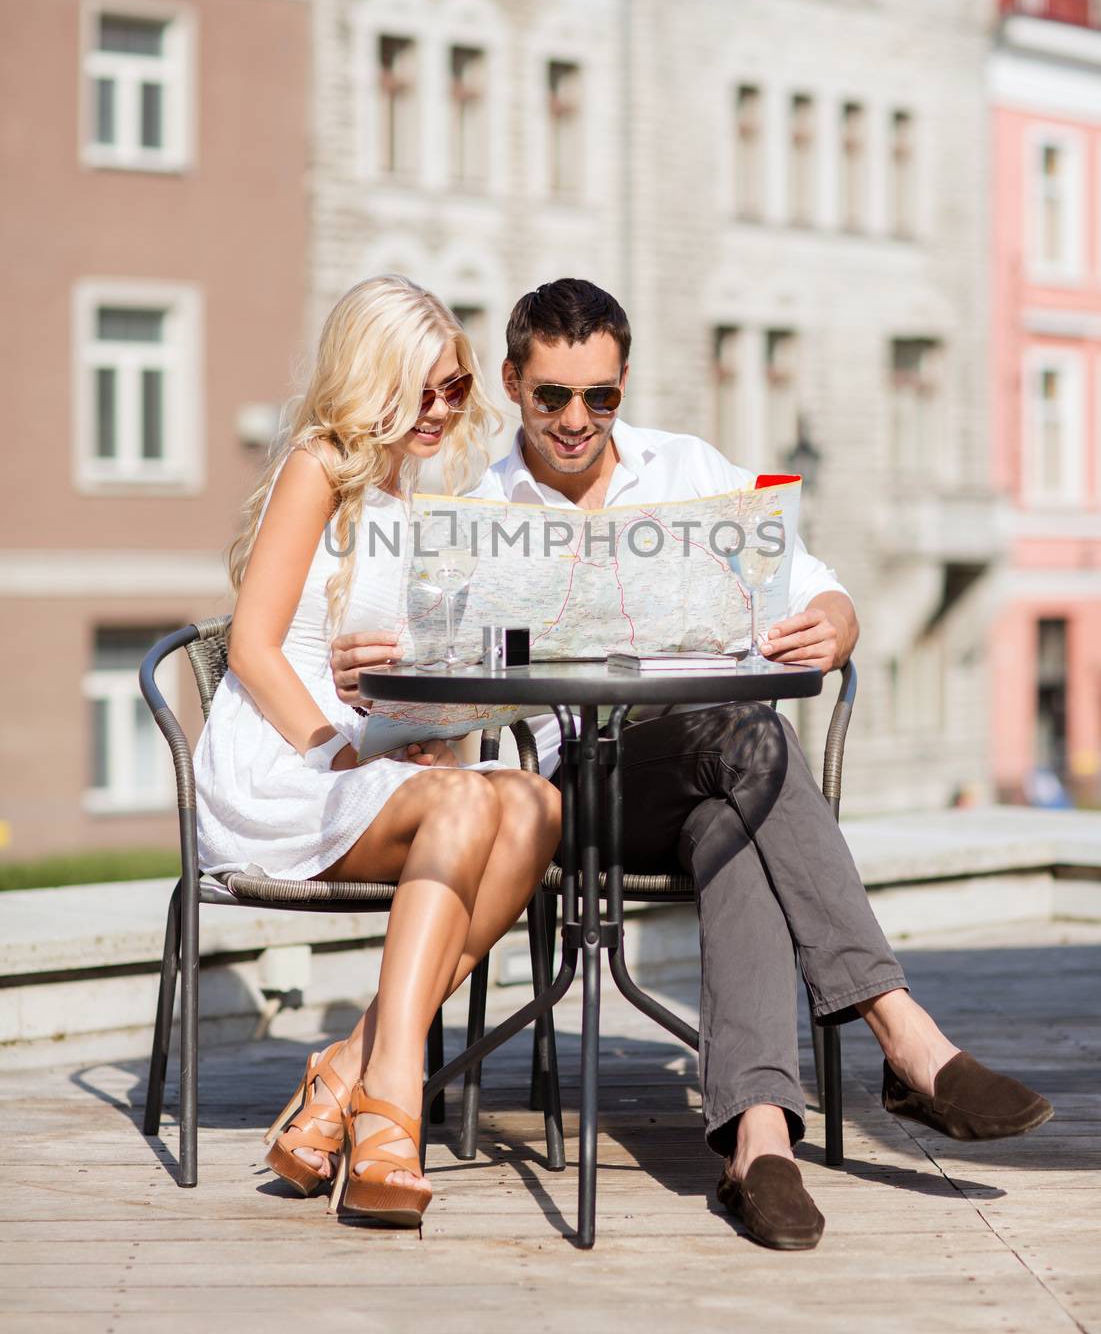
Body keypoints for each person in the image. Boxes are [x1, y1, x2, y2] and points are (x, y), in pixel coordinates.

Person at [331, 278, 1053, 1251]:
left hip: (699, 776)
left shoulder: (689, 470)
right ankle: (900, 1031)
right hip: (553, 791)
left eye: (602, 396)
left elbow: (819, 589)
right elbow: (407, 669)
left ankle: (759, 1140)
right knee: (747, 734)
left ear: (624, 382)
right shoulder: (471, 498)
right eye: (551, 397)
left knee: (736, 821)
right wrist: (378, 664)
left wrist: (832, 625)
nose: (577, 420)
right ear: (511, 382)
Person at [194, 276, 561, 1228]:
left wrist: (425, 720)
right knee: (477, 801)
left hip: (372, 758)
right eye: (427, 388)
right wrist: (338, 750)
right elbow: (254, 647)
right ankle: (393, 1095)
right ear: (378, 381)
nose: (445, 408)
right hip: (287, 760)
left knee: (533, 802)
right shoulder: (320, 466)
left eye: (456, 388)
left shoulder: (412, 504)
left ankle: (347, 1067)